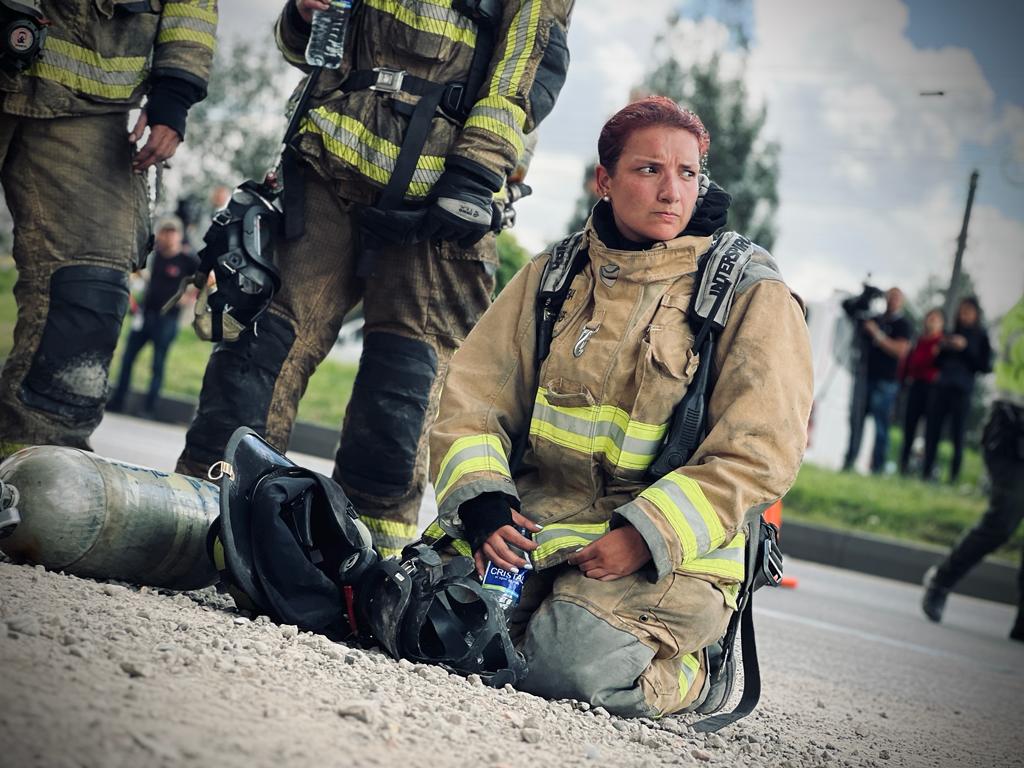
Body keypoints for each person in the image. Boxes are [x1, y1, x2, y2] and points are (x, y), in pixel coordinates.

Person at [424, 97, 814, 716]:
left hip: (670, 555)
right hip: (536, 532)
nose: (672, 191)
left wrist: (645, 535)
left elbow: (759, 451)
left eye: (688, 173)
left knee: (568, 670)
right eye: (649, 170)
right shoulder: (554, 276)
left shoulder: (749, 293)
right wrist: (485, 506)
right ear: (604, 181)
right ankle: (541, 619)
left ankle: (696, 673)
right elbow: (471, 401)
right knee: (435, 631)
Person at [176, 0, 573, 558]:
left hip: (443, 190)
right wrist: (301, 18)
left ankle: (366, 560)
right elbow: (308, 49)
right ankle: (204, 522)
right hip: (326, 161)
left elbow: (527, 63)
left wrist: (474, 172)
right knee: (261, 348)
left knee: (401, 382)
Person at [0, 0, 217, 459]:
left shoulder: (182, 258)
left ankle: (40, 474)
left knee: (90, 290)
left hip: (90, 95)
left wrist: (173, 94)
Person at [923, 293, 1024, 641]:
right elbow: (1013, 352)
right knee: (1004, 518)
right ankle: (941, 580)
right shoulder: (1019, 312)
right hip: (1012, 429)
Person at [108, 217, 195, 418]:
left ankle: (149, 408)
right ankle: (118, 401)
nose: (168, 237)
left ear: (179, 236)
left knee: (157, 364)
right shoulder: (154, 256)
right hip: (146, 315)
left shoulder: (187, 260)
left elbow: (205, 277)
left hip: (168, 319)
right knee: (127, 359)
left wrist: (189, 297)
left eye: (172, 233)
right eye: (165, 232)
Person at [921, 296, 992, 483]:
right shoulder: (950, 333)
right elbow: (938, 362)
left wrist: (965, 348)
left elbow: (985, 366)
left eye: (968, 312)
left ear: (976, 314)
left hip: (962, 390)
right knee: (933, 431)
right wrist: (941, 349)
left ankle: (953, 476)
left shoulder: (981, 337)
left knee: (957, 434)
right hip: (942, 386)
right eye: (961, 311)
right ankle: (926, 472)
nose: (964, 315)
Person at [842, 287, 911, 474]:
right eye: (890, 297)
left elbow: (900, 350)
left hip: (886, 382)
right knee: (856, 422)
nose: (892, 301)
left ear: (902, 301)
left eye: (897, 298)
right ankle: (849, 461)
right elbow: (848, 309)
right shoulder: (875, 318)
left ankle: (878, 468)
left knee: (881, 427)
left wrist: (877, 335)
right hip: (865, 377)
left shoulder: (903, 324)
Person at [899, 307, 944, 475]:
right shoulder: (918, 342)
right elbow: (911, 363)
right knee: (909, 427)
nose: (931, 322)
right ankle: (903, 466)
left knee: (931, 432)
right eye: (929, 318)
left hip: (933, 389)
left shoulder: (942, 344)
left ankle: (927, 470)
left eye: (935, 319)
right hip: (915, 386)